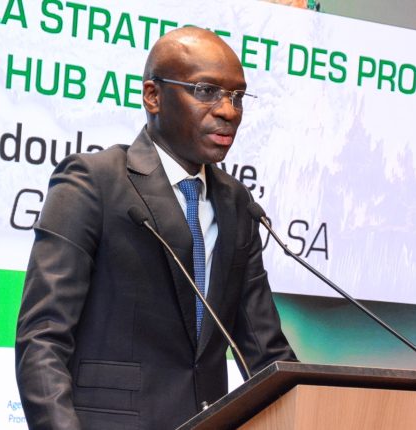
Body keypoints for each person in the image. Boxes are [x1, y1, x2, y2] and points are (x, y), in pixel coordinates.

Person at [15, 27, 298, 430]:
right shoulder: (93, 183)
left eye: (237, 96)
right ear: (153, 95)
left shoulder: (237, 203)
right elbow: (42, 338)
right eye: (206, 91)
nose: (228, 111)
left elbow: (266, 352)